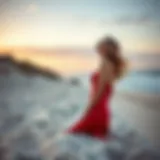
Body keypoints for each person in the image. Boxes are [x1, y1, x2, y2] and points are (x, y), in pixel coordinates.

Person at [67, 36, 126, 140]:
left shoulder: (105, 63)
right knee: (94, 132)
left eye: (100, 45)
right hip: (102, 106)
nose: (97, 47)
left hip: (98, 104)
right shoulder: (109, 63)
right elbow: (107, 87)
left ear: (105, 48)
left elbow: (101, 88)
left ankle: (97, 123)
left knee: (72, 132)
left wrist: (90, 106)